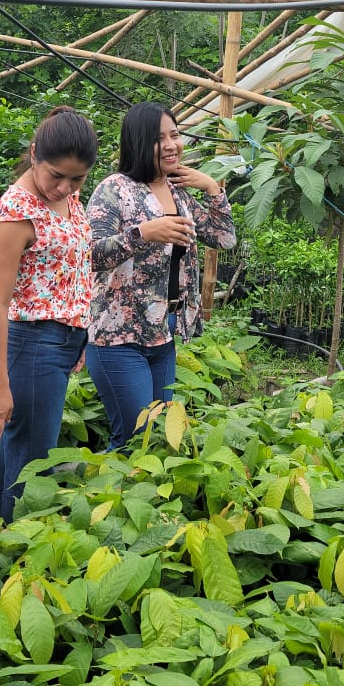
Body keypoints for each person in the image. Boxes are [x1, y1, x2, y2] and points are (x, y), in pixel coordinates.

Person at [0, 106, 97, 524]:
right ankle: (15, 547)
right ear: (33, 154)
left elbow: (73, 271)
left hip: (61, 342)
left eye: (77, 179)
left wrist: (80, 331)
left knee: (20, 453)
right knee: (33, 463)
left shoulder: (67, 198)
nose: (64, 187)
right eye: (56, 175)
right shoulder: (15, 214)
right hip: (34, 346)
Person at [86, 102, 236, 449]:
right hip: (118, 336)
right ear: (138, 143)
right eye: (159, 139)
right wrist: (143, 233)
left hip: (163, 333)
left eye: (175, 135)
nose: (171, 145)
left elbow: (224, 238)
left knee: (156, 439)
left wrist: (212, 187)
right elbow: (90, 254)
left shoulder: (178, 192)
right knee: (134, 436)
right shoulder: (114, 189)